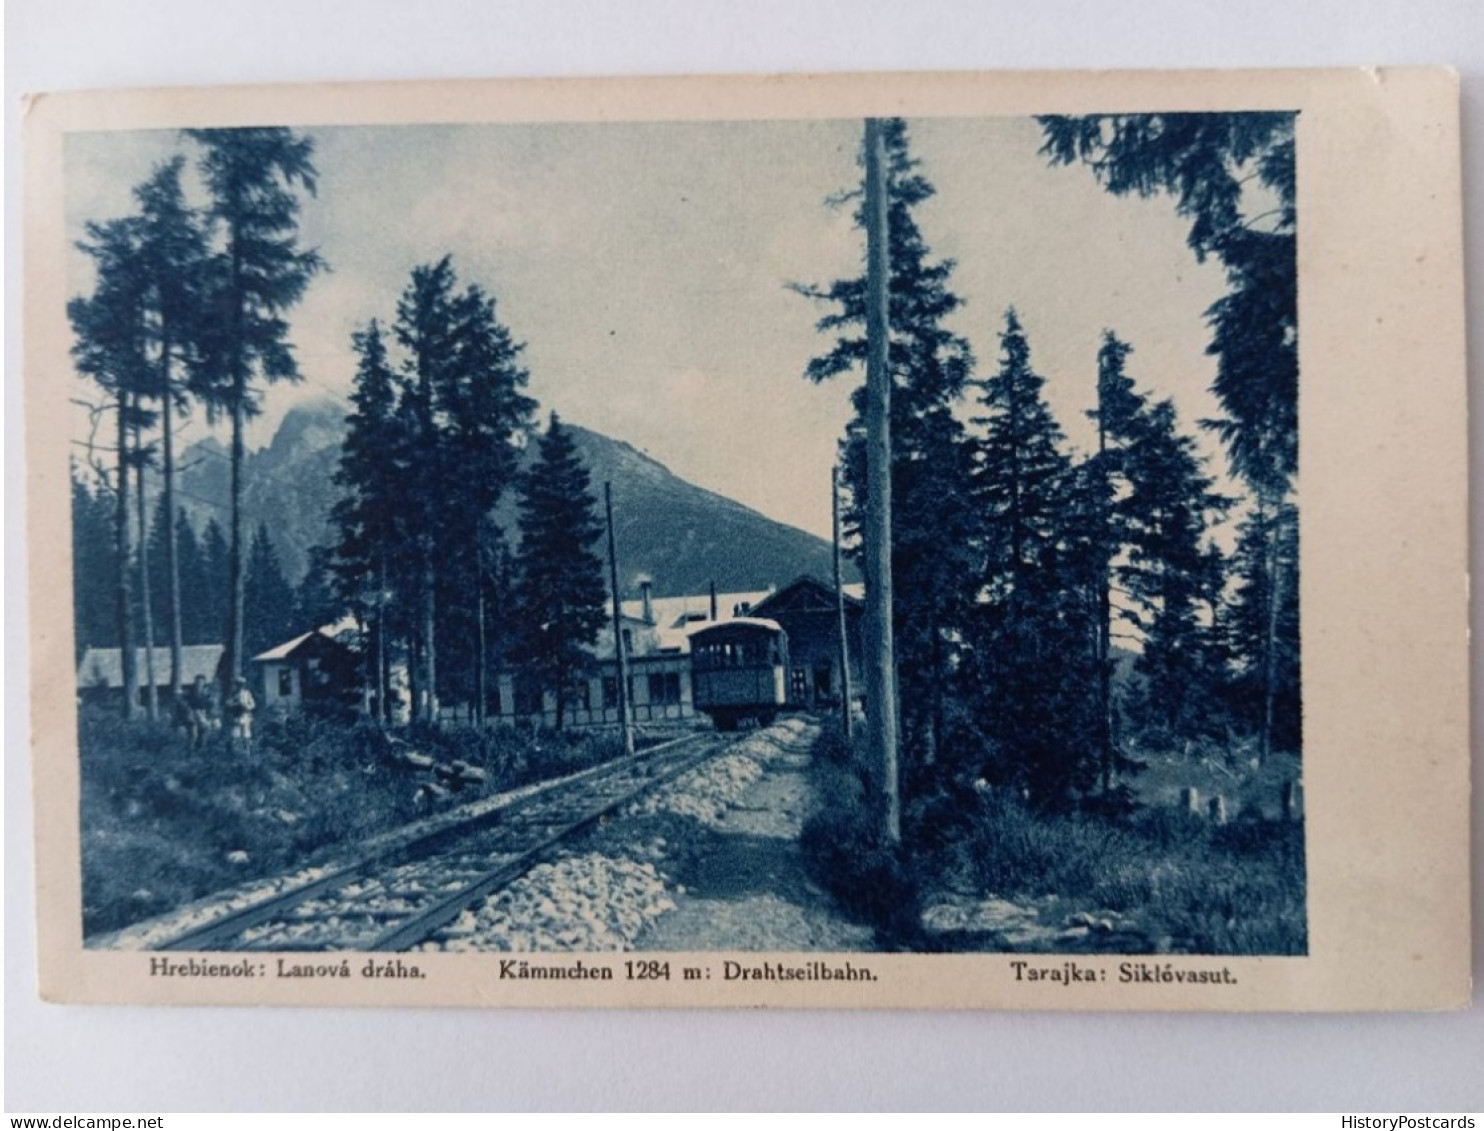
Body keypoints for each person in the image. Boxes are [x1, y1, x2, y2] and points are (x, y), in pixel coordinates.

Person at [224, 677, 256, 751]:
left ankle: (247, 751)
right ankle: (232, 751)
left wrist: (246, 706)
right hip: (236, 716)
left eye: (241, 685)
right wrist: (235, 704)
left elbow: (253, 704)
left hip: (245, 715)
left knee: (246, 734)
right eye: (238, 684)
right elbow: (227, 703)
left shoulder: (247, 693)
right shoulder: (233, 694)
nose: (240, 686)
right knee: (234, 734)